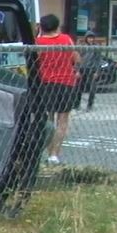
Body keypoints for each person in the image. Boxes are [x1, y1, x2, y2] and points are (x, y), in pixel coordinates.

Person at [32, 14, 79, 165]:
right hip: (67, 82)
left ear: (42, 27)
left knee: (48, 119)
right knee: (63, 120)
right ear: (57, 26)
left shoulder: (38, 43)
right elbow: (77, 58)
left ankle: (46, 152)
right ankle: (54, 155)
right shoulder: (66, 40)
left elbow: (34, 62)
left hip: (46, 83)